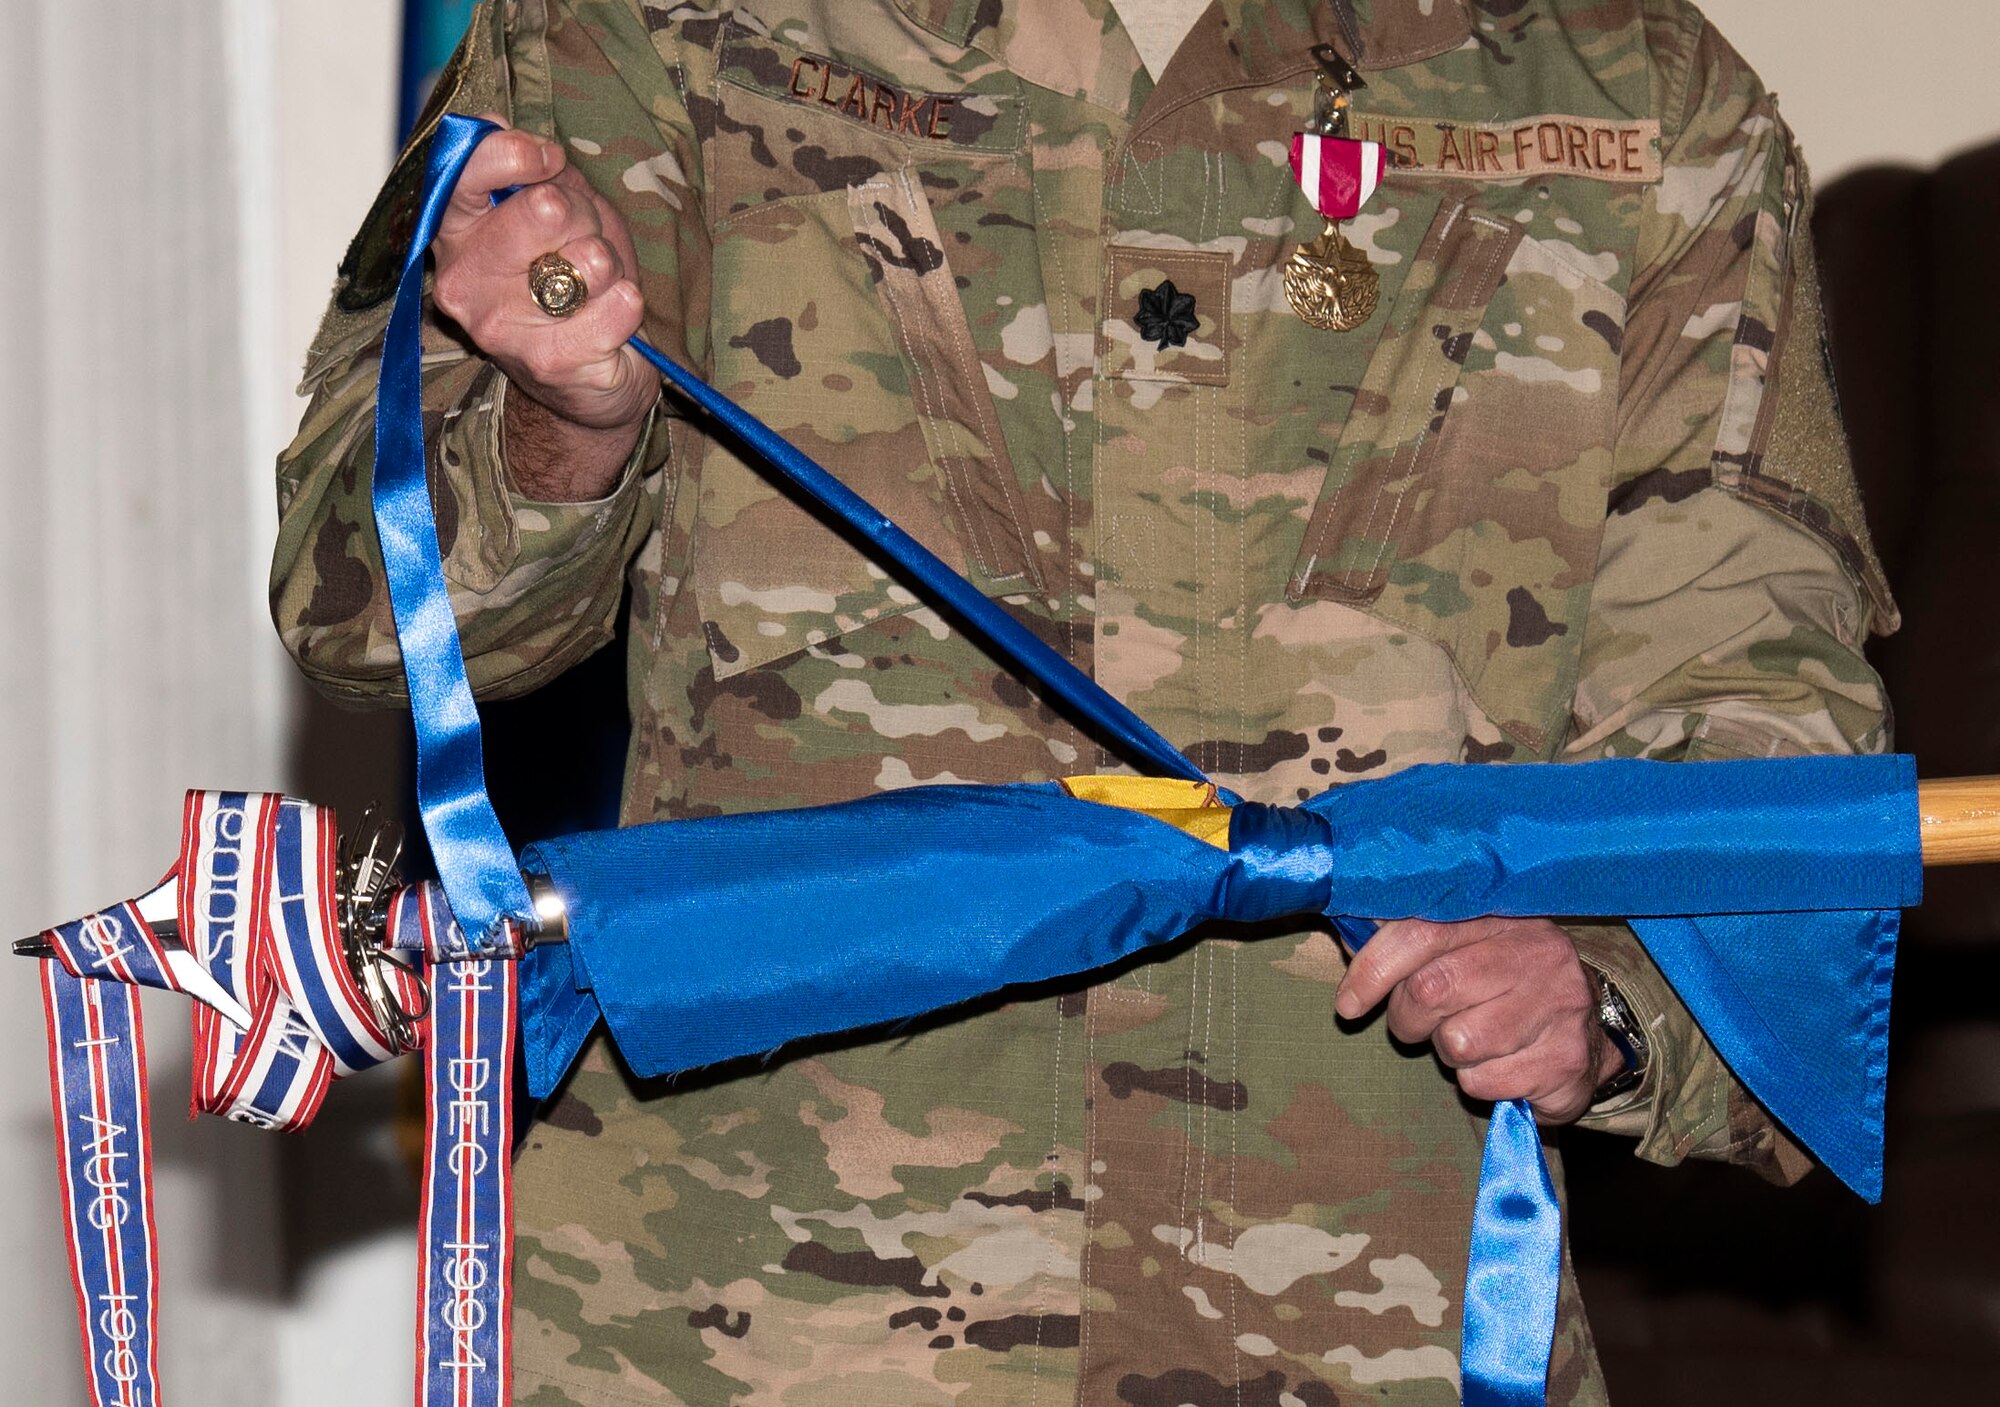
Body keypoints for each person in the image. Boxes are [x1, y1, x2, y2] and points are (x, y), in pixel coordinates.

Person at [272, 1, 1896, 1402]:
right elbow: (359, 602)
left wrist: (1606, 1000)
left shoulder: (1640, 99)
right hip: (747, 1312)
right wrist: (564, 416)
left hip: (1370, 1307)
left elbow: (1765, 735)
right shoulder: (657, 29)